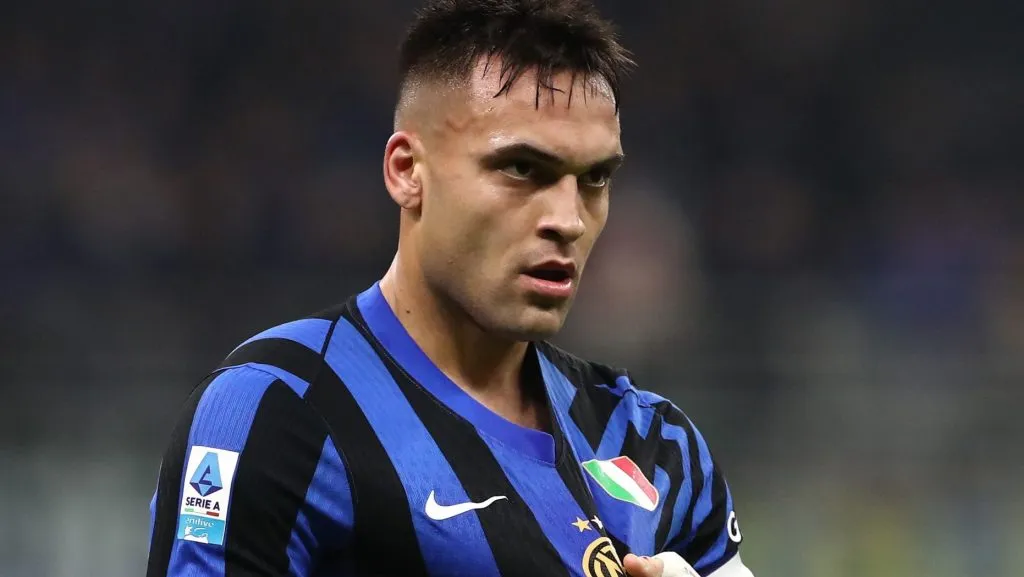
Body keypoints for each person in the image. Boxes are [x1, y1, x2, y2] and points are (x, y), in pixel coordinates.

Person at [145, 1, 755, 576]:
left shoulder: (656, 444)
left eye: (595, 179)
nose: (568, 219)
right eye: (522, 168)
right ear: (407, 172)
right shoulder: (276, 415)